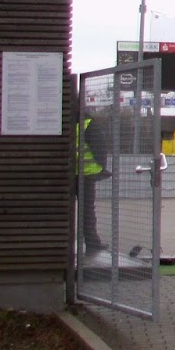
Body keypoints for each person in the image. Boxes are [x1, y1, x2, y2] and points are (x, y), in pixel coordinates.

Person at [74, 107, 109, 254]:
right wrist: (102, 167)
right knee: (87, 210)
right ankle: (92, 243)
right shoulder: (88, 124)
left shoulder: (62, 122)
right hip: (86, 174)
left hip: (68, 173)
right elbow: (100, 148)